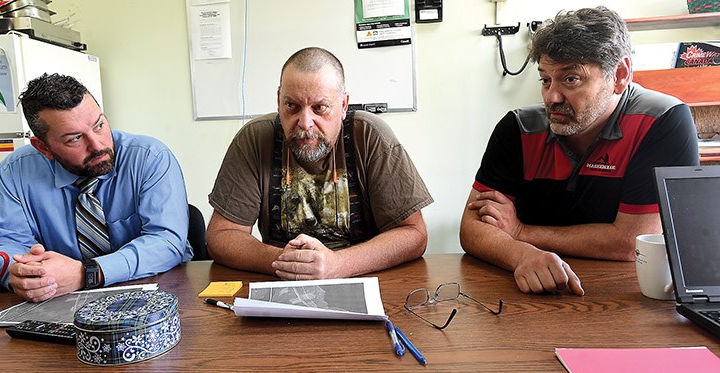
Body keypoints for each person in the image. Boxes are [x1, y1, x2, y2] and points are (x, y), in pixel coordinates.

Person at [459, 7, 699, 296]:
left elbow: (632, 241)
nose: (551, 97)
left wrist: (522, 232)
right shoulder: (518, 126)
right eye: (545, 79)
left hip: (624, 294)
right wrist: (520, 254)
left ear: (620, 75)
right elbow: (472, 228)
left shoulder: (662, 120)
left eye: (571, 79)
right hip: (528, 288)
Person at [206, 47, 433, 280]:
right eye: (291, 106)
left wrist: (338, 264)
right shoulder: (254, 139)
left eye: (319, 108)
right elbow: (221, 235)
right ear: (278, 100)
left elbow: (413, 233)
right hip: (279, 281)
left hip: (361, 280)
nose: (305, 123)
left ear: (344, 105)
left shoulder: (369, 136)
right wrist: (287, 263)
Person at [0, 73, 193, 302]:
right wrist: (24, 274)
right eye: (75, 138)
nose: (97, 146)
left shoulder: (149, 157)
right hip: (60, 301)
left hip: (157, 295)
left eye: (99, 125)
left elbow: (167, 241)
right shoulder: (16, 171)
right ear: (43, 147)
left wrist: (86, 273)